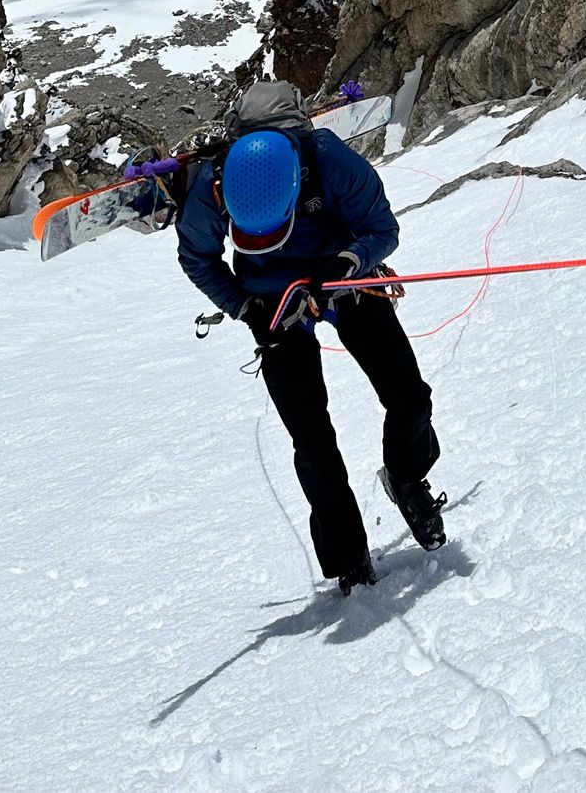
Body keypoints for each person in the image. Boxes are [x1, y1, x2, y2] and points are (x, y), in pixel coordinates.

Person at [176, 79, 445, 590]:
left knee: (408, 396)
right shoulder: (214, 185)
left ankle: (407, 479)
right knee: (313, 441)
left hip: (341, 280)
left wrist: (348, 263)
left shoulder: (327, 160)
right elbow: (197, 255)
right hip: (271, 302)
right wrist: (243, 305)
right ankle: (348, 556)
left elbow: (381, 228)